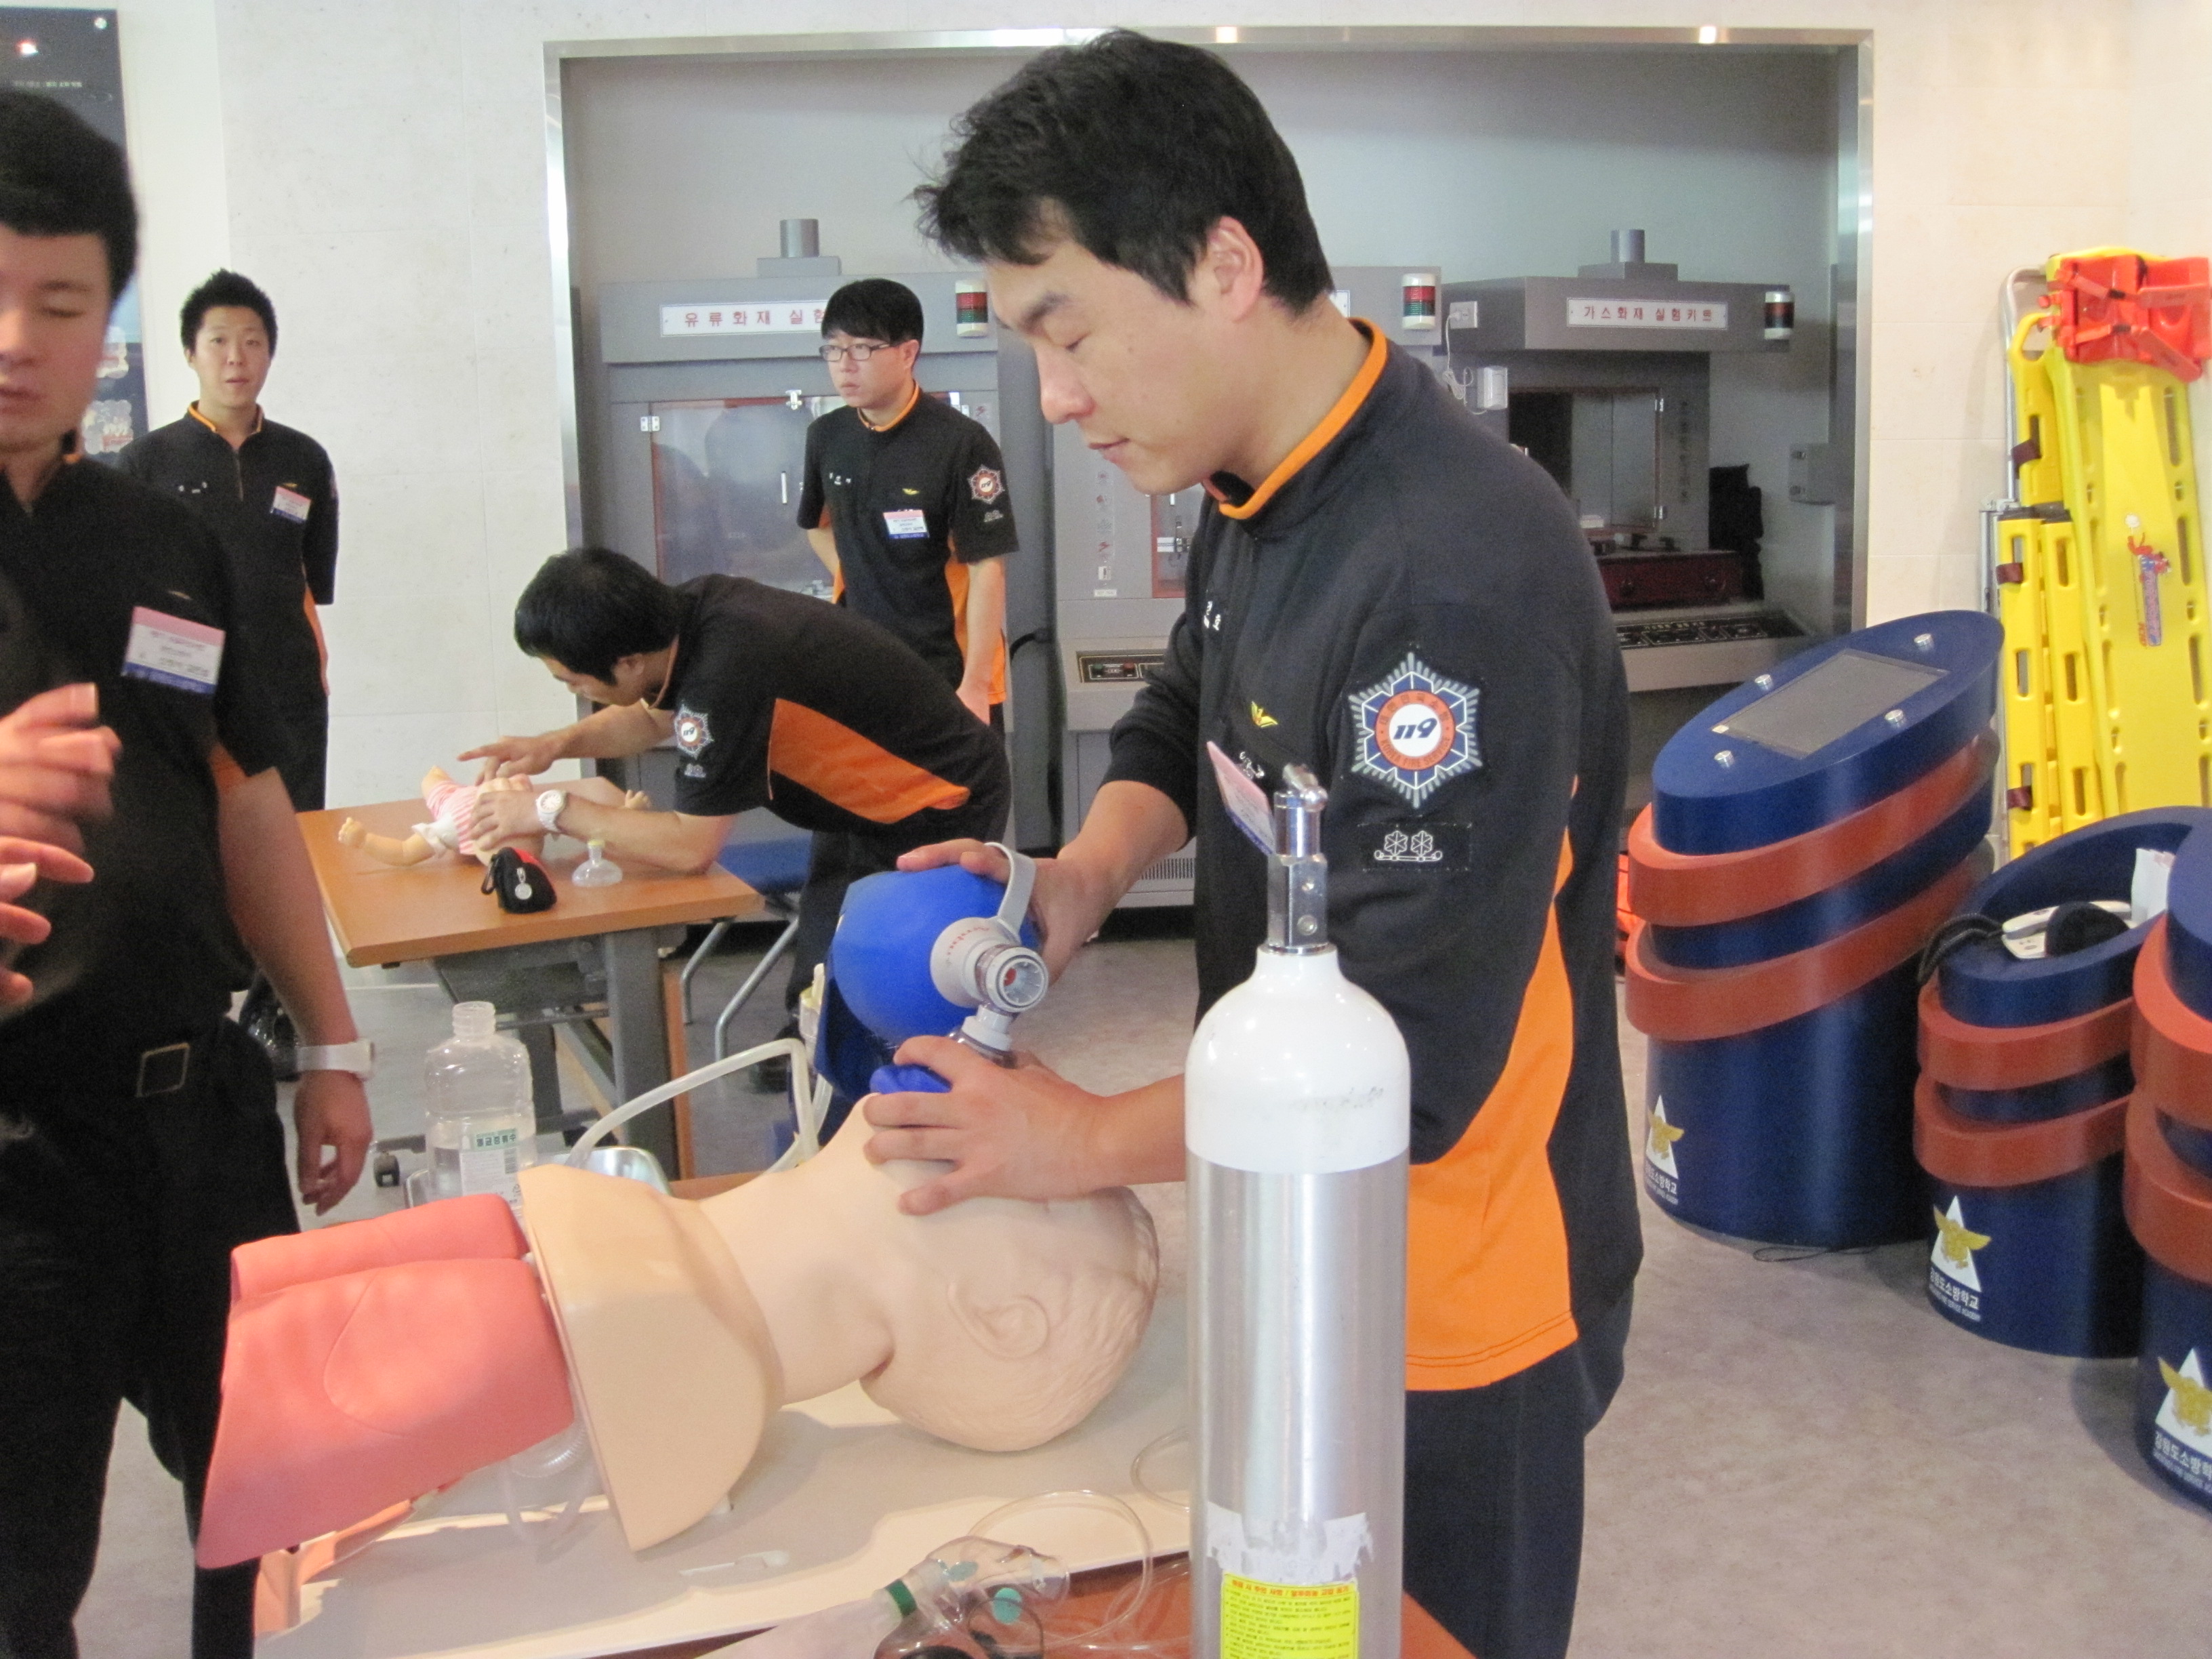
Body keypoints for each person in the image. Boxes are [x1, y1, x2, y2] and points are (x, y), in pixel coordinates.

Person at [863, 33, 1641, 1659]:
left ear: (1223, 265)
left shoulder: (1446, 573)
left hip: (1451, 1298)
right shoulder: (1261, 487)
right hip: (1291, 1223)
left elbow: (1411, 1062)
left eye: (1067, 330)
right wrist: (1078, 878)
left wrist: (1077, 1138)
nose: (1056, 396)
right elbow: (1184, 709)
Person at [0, 92, 374, 1659]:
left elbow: (244, 790)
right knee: (23, 1571)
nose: (15, 338)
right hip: (18, 1145)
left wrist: (333, 1041)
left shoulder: (163, 540)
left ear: (108, 319)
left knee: (262, 1501)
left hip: (197, 1113)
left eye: (58, 300)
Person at [461, 549, 1009, 1025]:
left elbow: (689, 847)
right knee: (824, 970)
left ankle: (865, 1078)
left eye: (573, 681)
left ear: (627, 662)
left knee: (888, 992)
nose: (575, 692)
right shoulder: (683, 617)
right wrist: (553, 745)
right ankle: (814, 1046)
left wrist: (550, 809)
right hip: (859, 805)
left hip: (938, 801)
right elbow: (651, 718)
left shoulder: (727, 671)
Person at [120, 270, 340, 1075]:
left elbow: (313, 578)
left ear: (270, 353)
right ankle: (199, 1008)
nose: (236, 358)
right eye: (219, 341)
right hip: (180, 687)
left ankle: (277, 1016)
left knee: (295, 846)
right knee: (194, 845)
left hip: (286, 684)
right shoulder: (146, 462)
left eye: (252, 342)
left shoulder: (303, 460)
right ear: (191, 353)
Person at [799, 277, 1017, 726]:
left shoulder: (961, 443)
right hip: (864, 664)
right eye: (834, 350)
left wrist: (976, 686)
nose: (845, 366)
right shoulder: (827, 436)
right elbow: (817, 526)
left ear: (907, 353)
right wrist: (863, 575)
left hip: (949, 670)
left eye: (862, 349)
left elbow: (987, 568)